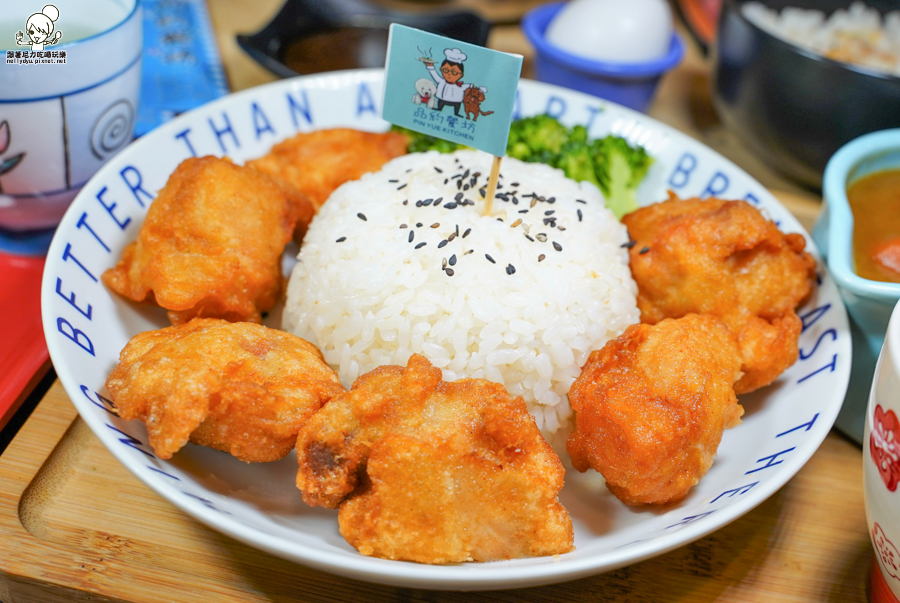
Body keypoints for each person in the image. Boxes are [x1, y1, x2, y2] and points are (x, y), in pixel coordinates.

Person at [424, 48, 474, 117]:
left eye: (454, 72)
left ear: (461, 74)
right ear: (441, 69)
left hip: (456, 100)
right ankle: (439, 108)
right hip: (442, 98)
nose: (449, 74)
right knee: (441, 102)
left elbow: (470, 86)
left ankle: (456, 113)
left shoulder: (460, 85)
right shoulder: (441, 81)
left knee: (457, 105)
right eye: (446, 70)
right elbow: (435, 75)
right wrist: (430, 67)